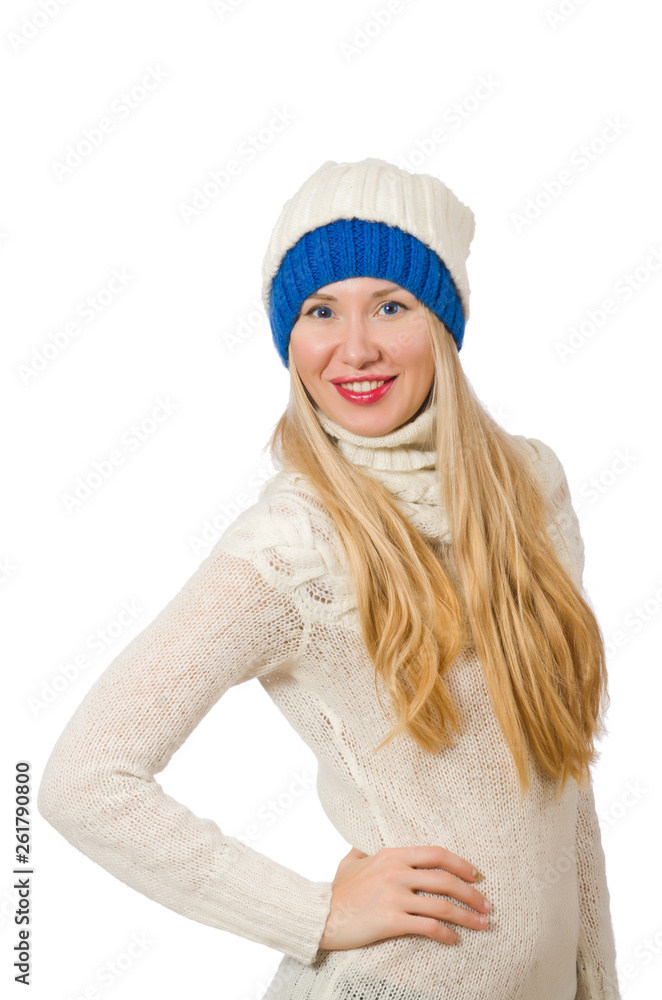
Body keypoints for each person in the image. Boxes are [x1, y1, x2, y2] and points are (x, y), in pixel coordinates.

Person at [37, 157, 621, 1000]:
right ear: (291, 339)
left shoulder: (530, 489)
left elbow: (563, 784)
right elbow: (84, 781)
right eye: (321, 311)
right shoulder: (295, 543)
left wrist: (598, 980)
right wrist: (313, 914)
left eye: (391, 305)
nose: (356, 347)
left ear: (443, 324)